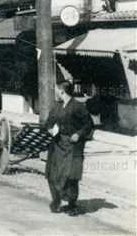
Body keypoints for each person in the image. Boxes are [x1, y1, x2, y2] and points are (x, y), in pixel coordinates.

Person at [44, 80, 93, 216]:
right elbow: (48, 122)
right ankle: (56, 200)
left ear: (62, 91)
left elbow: (88, 124)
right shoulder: (57, 106)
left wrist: (78, 134)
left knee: (71, 175)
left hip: (73, 146)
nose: (55, 93)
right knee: (53, 173)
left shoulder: (78, 107)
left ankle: (72, 205)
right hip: (58, 144)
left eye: (56, 90)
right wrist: (49, 129)